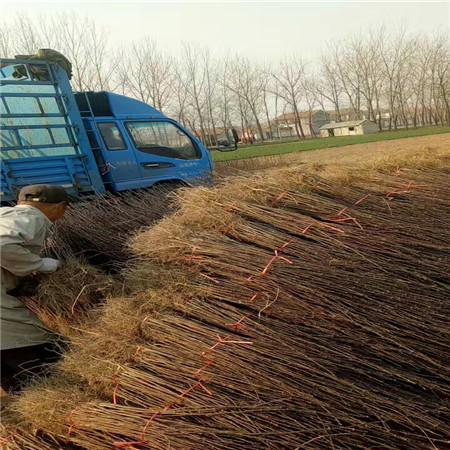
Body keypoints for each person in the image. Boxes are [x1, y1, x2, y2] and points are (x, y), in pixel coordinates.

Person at [1, 184, 69, 394]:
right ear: (60, 206)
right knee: (40, 344)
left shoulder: (4, 213)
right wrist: (40, 265)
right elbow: (2, 243)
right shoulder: (33, 217)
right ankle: (54, 403)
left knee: (12, 377)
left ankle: (27, 406)